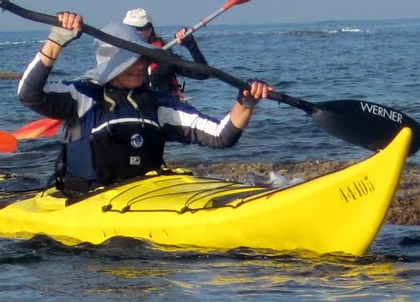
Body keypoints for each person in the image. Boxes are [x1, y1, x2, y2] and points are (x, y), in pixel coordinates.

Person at [18, 12, 272, 194]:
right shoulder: (82, 96)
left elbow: (221, 136)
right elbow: (29, 93)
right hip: (83, 201)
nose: (139, 65)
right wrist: (55, 42)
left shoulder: (159, 105)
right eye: (129, 61)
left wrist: (245, 102)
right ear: (110, 65)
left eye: (141, 58)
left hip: (145, 196)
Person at [123, 8, 209, 98]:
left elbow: (202, 74)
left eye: (137, 28)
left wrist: (191, 46)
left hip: (164, 106)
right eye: (128, 28)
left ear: (149, 31)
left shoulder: (164, 56)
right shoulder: (118, 56)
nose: (132, 32)